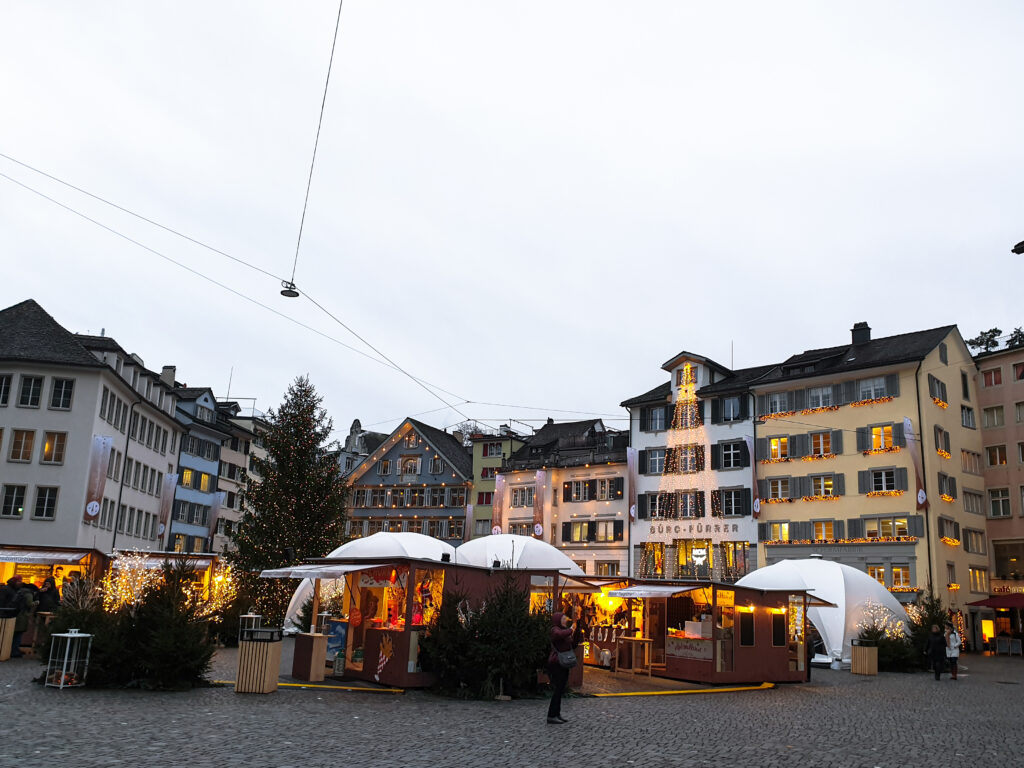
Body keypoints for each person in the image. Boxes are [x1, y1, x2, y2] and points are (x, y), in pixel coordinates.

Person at [546, 611, 575, 725]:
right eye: (563, 619)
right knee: (557, 689)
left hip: (563, 663)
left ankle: (556, 713)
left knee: (560, 689)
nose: (565, 620)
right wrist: (571, 629)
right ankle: (552, 715)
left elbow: (572, 643)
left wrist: (576, 631)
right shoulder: (555, 630)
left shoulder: (563, 630)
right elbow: (559, 635)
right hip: (556, 663)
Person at [6, 577, 35, 658]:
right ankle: (14, 651)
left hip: (15, 615)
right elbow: (30, 604)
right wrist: (36, 602)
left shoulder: (19, 592)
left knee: (14, 634)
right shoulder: (28, 594)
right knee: (18, 635)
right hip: (21, 616)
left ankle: (12, 650)